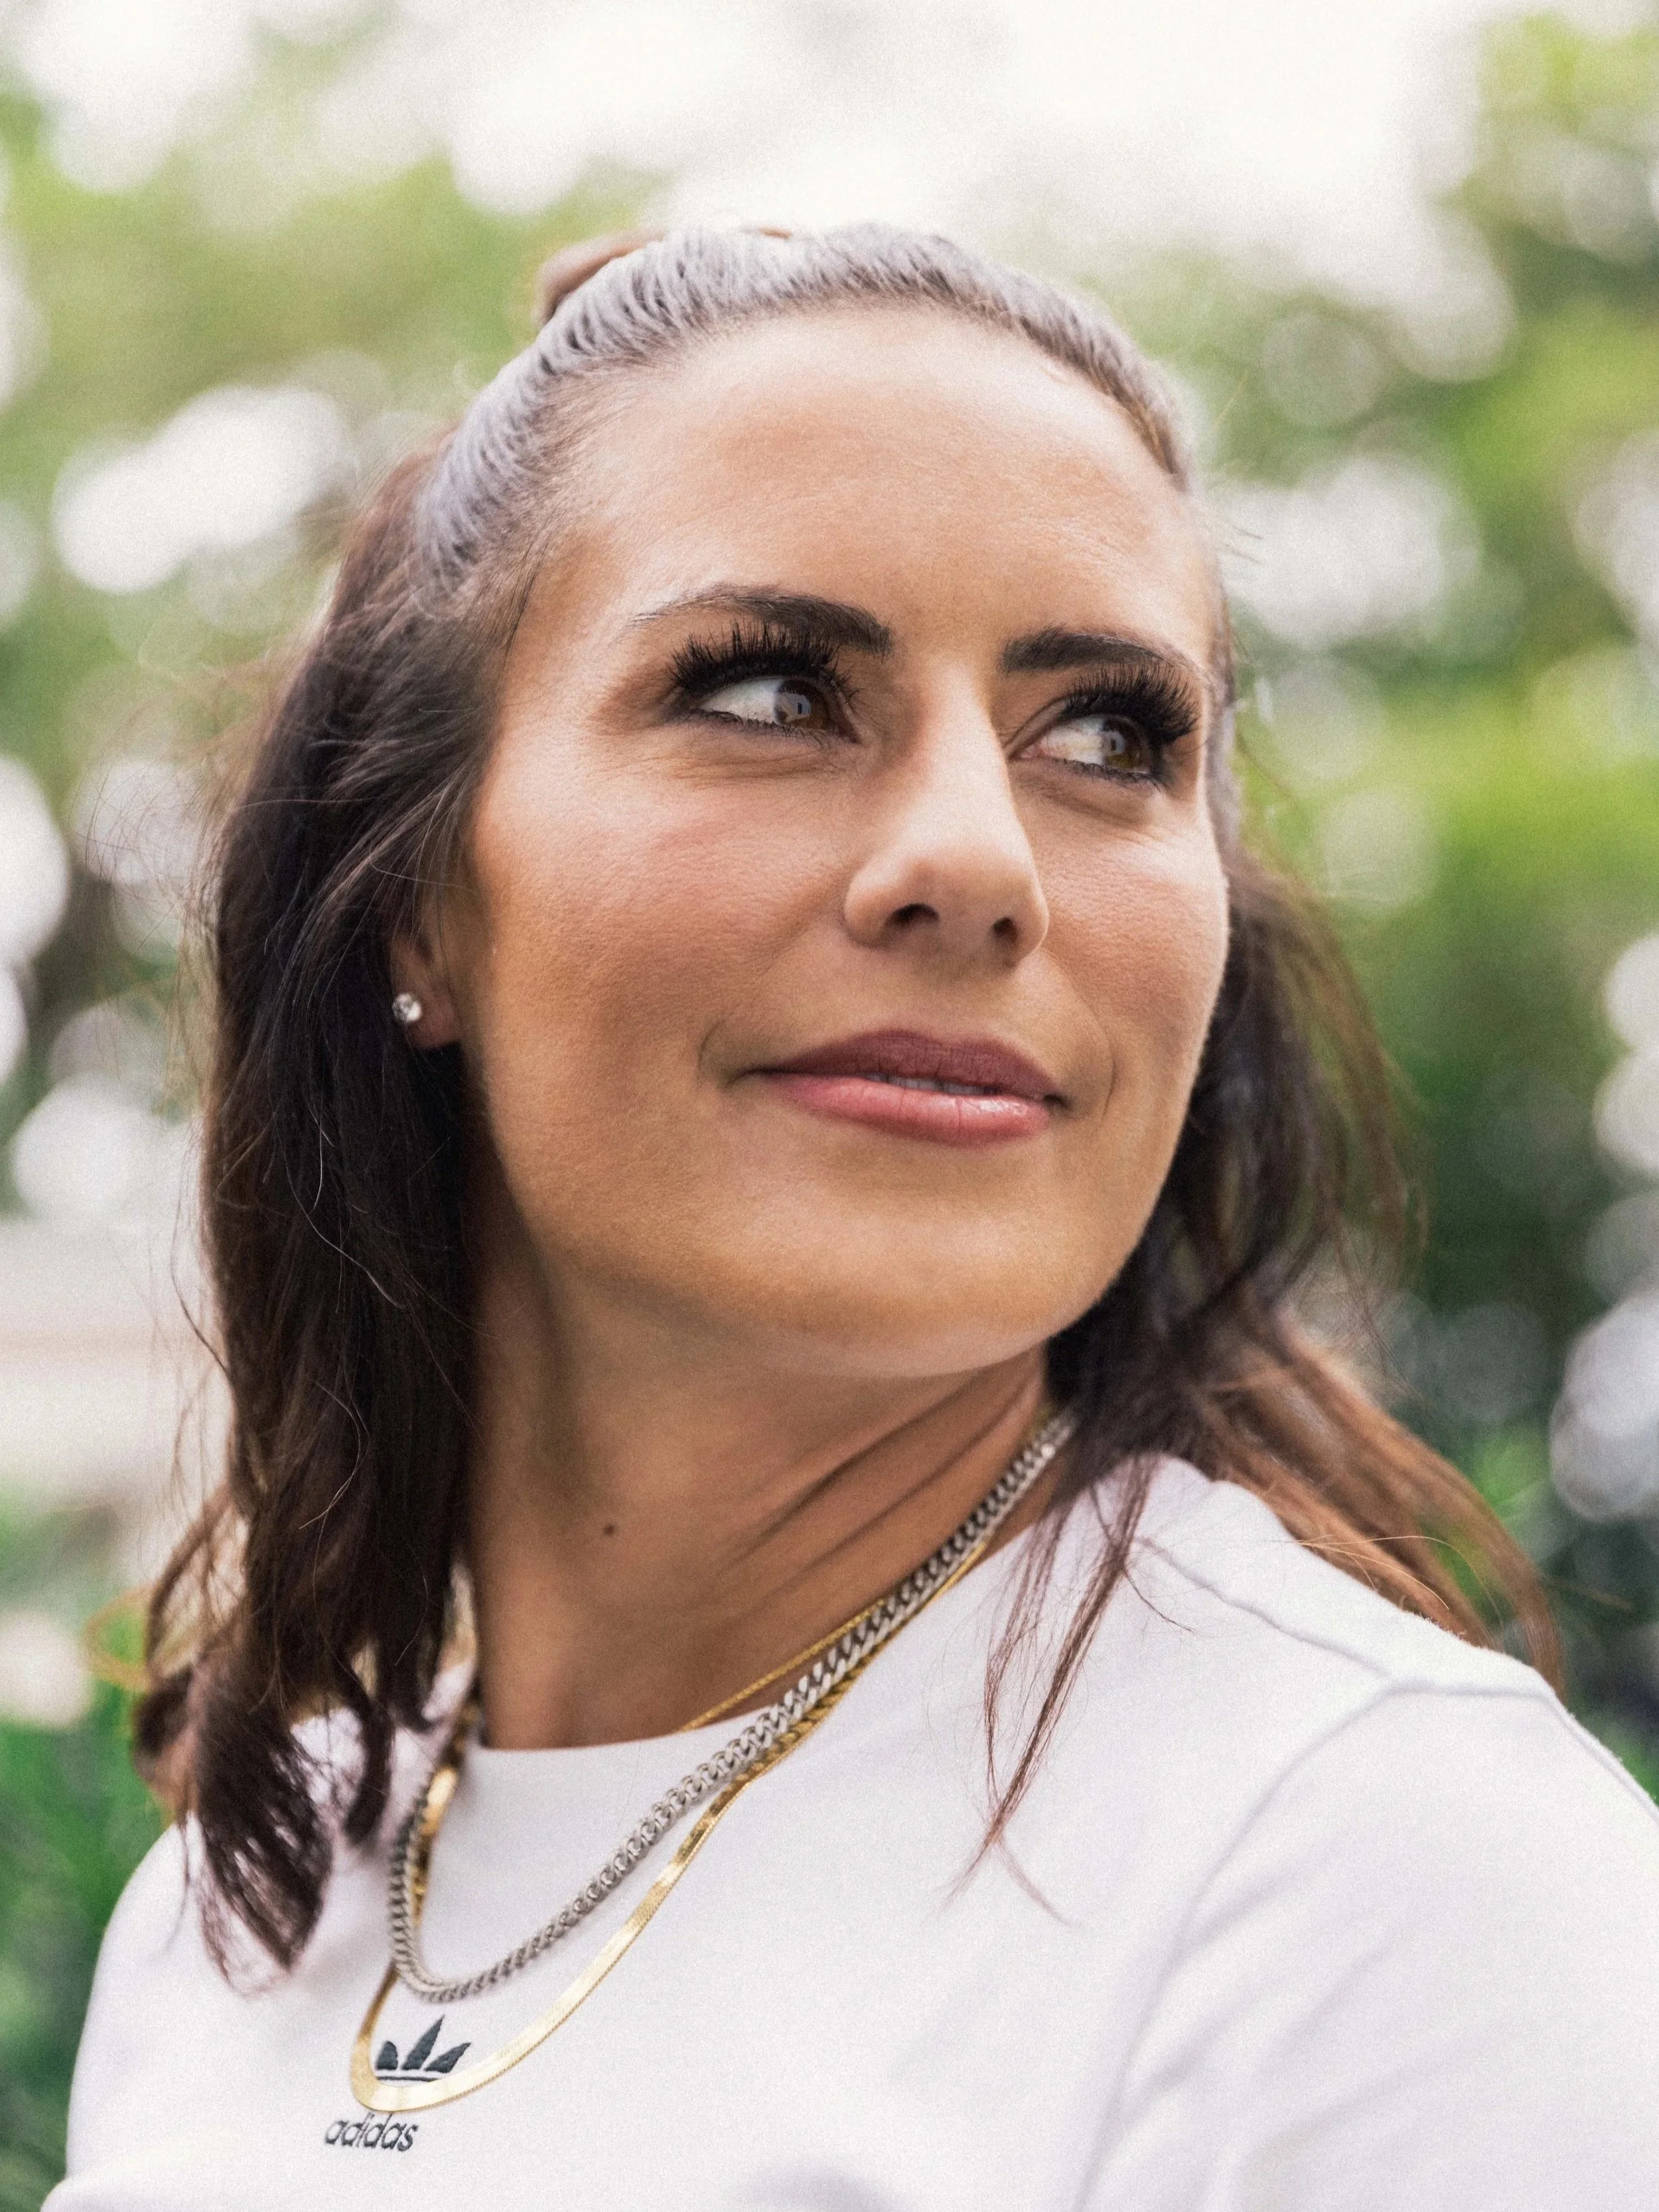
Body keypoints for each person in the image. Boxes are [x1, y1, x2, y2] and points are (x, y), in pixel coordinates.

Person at [51, 226, 1659, 2209]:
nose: (978, 861)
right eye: (766, 688)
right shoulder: (254, 1895)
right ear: (411, 890)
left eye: (1108, 734)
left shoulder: (1372, 1875)